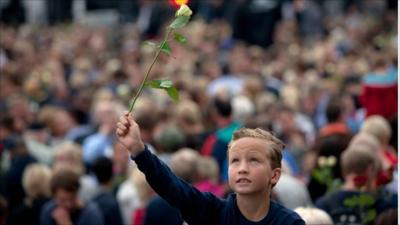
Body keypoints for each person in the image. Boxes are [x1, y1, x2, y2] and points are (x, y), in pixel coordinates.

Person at [116, 112, 305, 225]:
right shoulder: (213, 211)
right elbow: (172, 186)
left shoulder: (289, 222)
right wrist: (138, 149)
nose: (242, 168)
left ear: (274, 175)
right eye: (235, 161)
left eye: (254, 160)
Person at [40, 169, 105, 225]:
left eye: (72, 198)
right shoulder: (49, 211)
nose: (68, 204)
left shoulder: (91, 213)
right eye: (62, 200)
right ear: (54, 197)